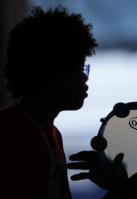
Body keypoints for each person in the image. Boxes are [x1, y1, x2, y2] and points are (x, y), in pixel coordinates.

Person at [0, 6, 97, 198]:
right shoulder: (14, 132)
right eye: (79, 69)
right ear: (53, 73)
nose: (85, 78)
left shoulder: (49, 132)